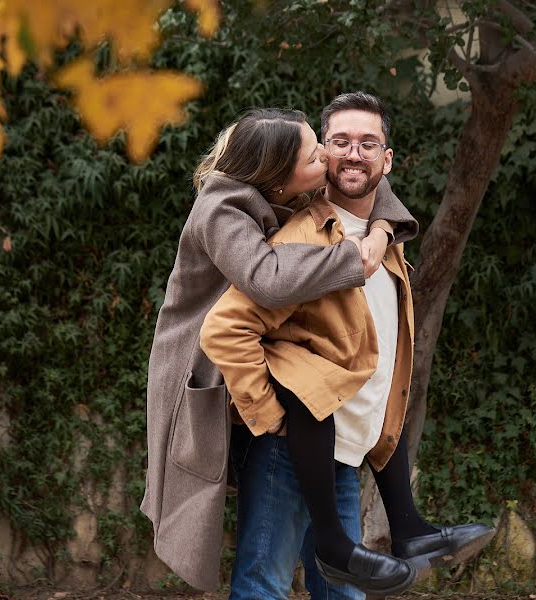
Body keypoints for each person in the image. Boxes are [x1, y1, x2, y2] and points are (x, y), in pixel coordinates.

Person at [200, 92, 494, 598]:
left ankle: (411, 531)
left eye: (368, 143)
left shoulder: (387, 240)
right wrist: (269, 418)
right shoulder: (303, 236)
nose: (354, 153)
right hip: (288, 447)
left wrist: (382, 228)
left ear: (388, 158)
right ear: (318, 157)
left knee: (343, 592)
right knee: (263, 585)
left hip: (340, 450)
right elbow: (226, 328)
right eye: (339, 142)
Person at [140, 107, 418, 596]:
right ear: (281, 173)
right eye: (318, 154)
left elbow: (377, 192)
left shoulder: (297, 190)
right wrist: (356, 256)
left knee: (340, 582)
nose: (331, 160)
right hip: (205, 370)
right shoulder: (221, 209)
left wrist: (379, 230)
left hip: (301, 404)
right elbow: (266, 281)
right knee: (263, 576)